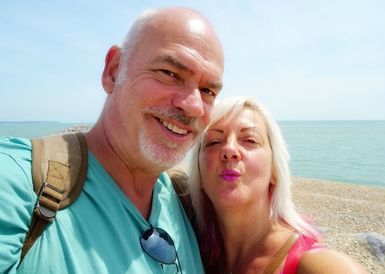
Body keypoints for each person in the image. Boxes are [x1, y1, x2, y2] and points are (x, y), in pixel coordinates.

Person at [0, 7, 224, 274]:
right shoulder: (16, 183)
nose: (194, 106)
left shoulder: (186, 204)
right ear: (114, 71)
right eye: (170, 73)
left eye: (208, 90)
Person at [183, 97, 368, 273]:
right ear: (198, 172)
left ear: (274, 170)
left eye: (250, 140)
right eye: (214, 141)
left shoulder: (313, 264)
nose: (229, 149)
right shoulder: (187, 250)